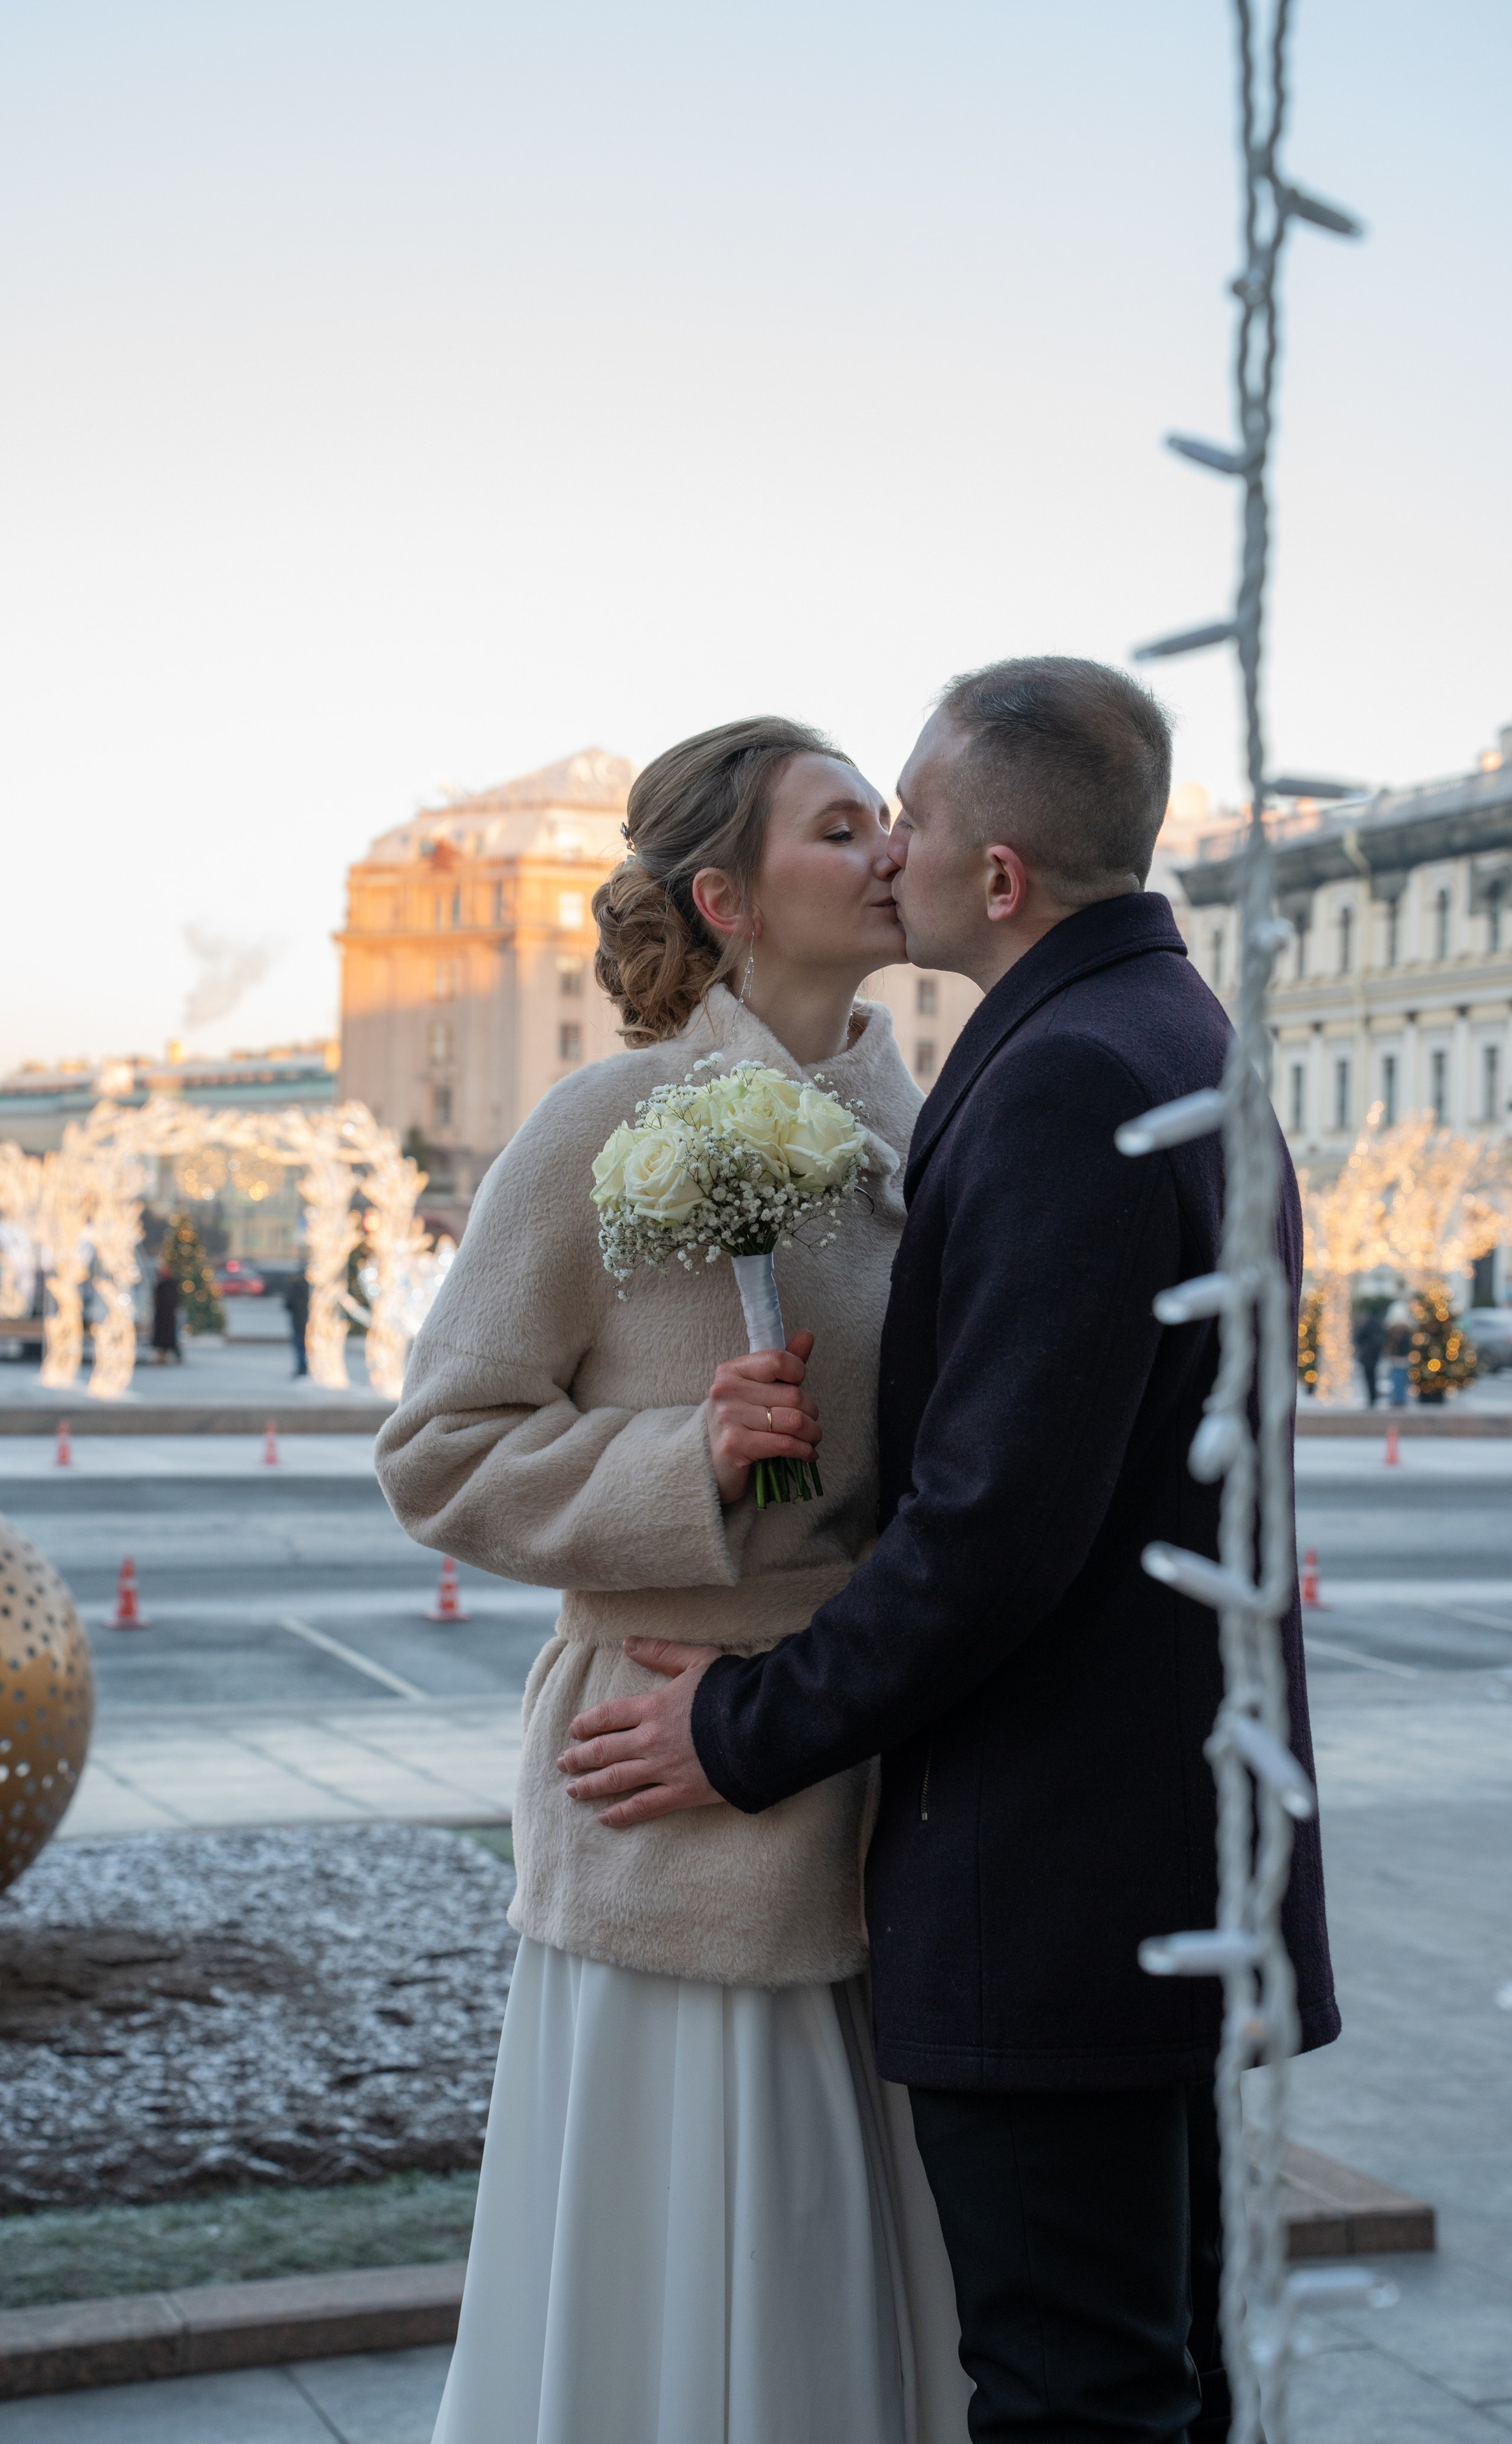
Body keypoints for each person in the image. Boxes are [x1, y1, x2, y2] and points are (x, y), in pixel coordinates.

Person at [560, 657, 1340, 2443]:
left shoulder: (1069, 1078)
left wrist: (735, 1729)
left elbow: (992, 1534)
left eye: (909, 816)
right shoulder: (1178, 1041)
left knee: (1078, 2387)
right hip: (1176, 1860)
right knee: (1171, 2368)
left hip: (1064, 1876)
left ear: (1000, 884)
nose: (890, 848)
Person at [376, 717, 971, 2444]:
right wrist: (684, 1462)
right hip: (667, 1793)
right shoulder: (602, 1123)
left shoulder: (919, 1131)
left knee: (864, 2280)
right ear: (724, 897)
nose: (886, 847)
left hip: (875, 1775)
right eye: (839, 825)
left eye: (889, 819)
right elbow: (439, 1453)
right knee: (694, 2274)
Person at [1354, 1305, 1387, 1407]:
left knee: (1369, 1378)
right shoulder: (1380, 1325)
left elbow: (1358, 1338)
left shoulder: (1366, 1325)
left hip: (1367, 1356)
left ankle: (1371, 1398)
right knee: (1373, 1377)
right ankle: (1373, 1397)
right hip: (1375, 1356)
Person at [151, 1263, 181, 1365]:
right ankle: (163, 1357)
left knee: (169, 1339)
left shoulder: (170, 1285)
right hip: (163, 1317)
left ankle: (172, 1356)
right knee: (166, 1340)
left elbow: (175, 1299)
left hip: (167, 1317)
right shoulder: (162, 1285)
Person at [283, 1267, 310, 1377]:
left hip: (298, 1324)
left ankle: (302, 1369)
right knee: (306, 1348)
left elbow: (288, 1305)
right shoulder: (310, 1290)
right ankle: (306, 1368)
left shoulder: (295, 1290)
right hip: (309, 1323)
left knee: (300, 1347)